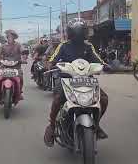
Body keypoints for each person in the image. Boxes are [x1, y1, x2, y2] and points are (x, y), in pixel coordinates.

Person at [43, 19, 109, 147]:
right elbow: (53, 59)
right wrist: (50, 64)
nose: (78, 36)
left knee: (104, 99)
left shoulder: (88, 46)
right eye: (76, 33)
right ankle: (51, 126)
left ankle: (96, 123)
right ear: (71, 34)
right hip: (67, 80)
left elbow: (98, 59)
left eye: (81, 33)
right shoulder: (63, 45)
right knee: (57, 99)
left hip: (87, 80)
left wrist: (105, 65)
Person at [0, 29, 25, 102]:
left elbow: (23, 51)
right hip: (4, 66)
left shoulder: (18, 45)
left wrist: (24, 57)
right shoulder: (3, 46)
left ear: (14, 37)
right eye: (8, 36)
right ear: (7, 38)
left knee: (20, 77)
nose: (10, 38)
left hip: (16, 66)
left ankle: (19, 92)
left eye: (11, 36)